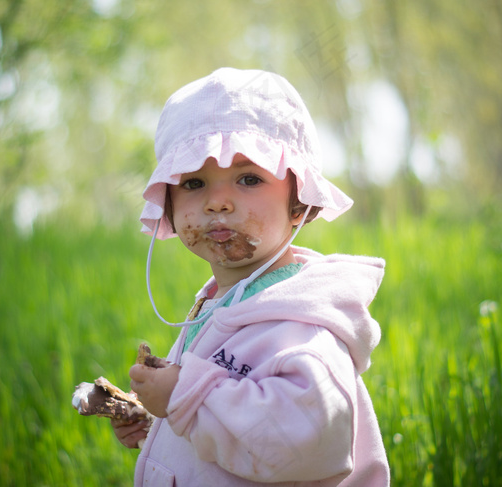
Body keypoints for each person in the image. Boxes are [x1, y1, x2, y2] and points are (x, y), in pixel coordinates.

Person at [111, 67, 390, 486]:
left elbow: (301, 442)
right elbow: (243, 440)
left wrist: (186, 398)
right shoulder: (226, 302)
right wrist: (162, 419)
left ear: (300, 204)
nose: (218, 201)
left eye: (248, 178)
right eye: (194, 182)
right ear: (168, 204)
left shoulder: (301, 327)